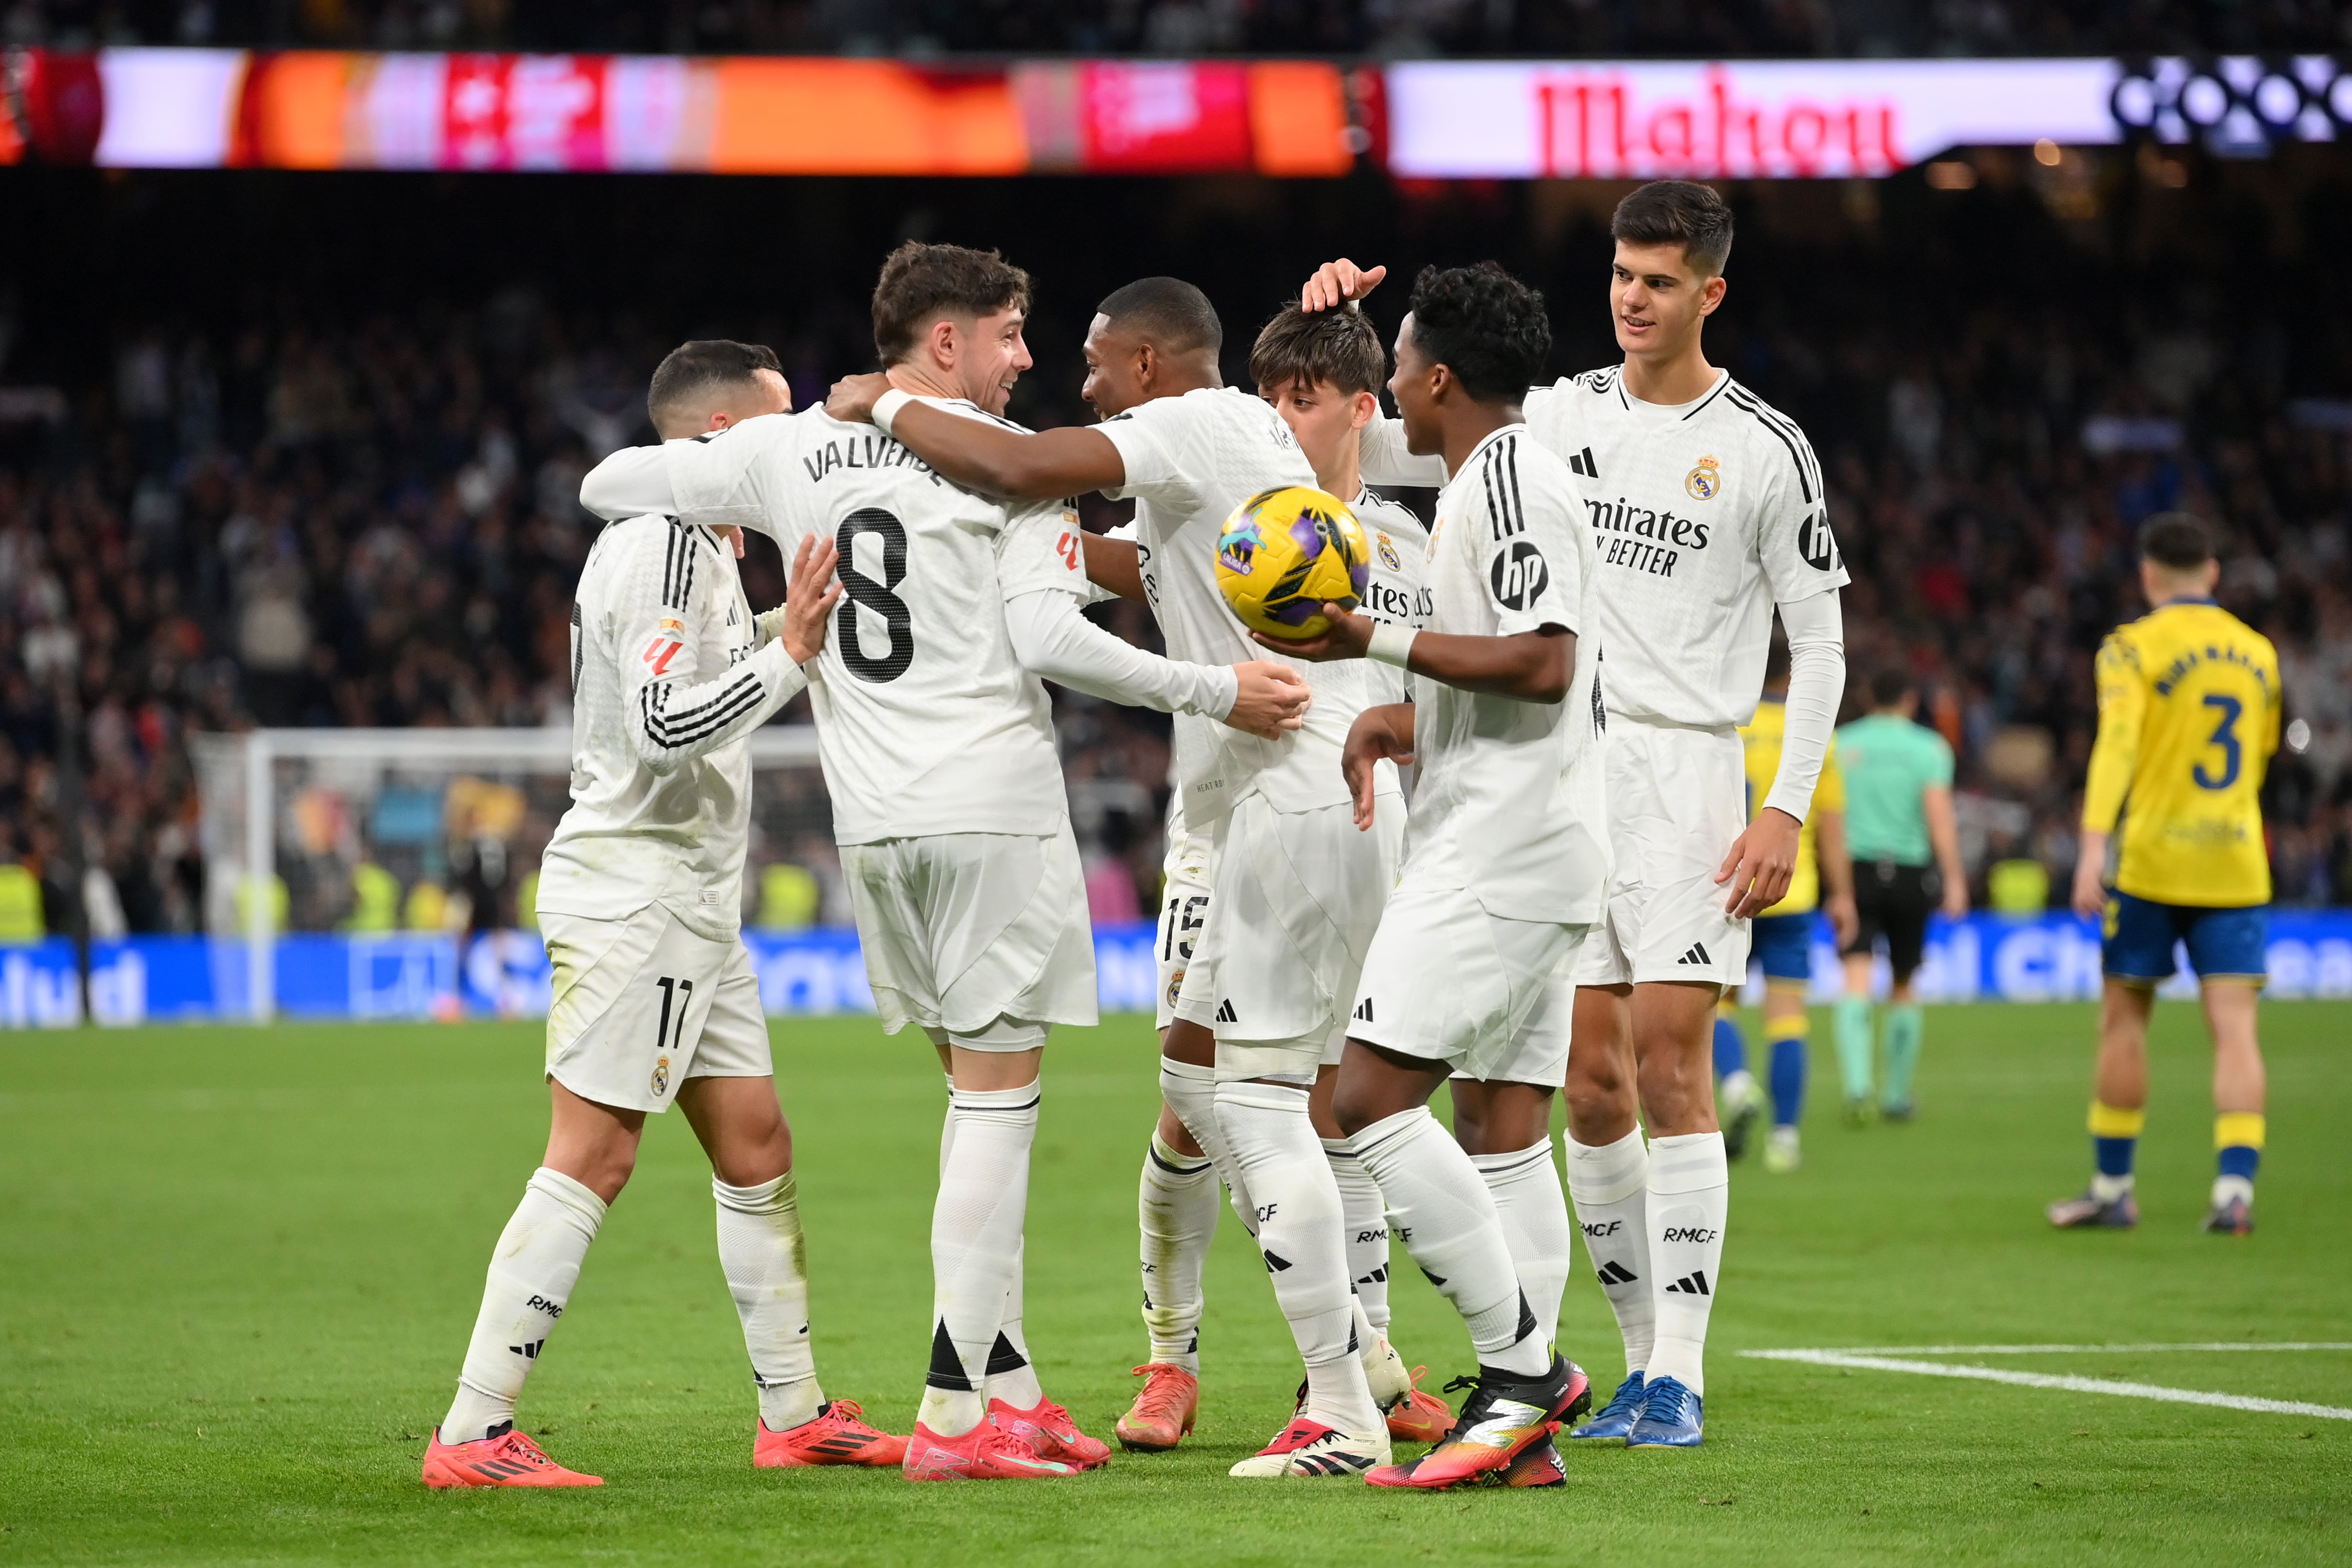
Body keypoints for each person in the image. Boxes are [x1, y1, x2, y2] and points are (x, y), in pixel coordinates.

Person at [581, 246, 1310, 1481]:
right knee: (997, 1114)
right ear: (945, 343)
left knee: (976, 1102)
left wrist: (799, 436)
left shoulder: (790, 449)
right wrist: (1216, 690)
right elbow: (1047, 635)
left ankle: (1012, 1388)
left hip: (876, 833)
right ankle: (954, 1417)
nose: (1027, 360)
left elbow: (611, 479)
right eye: (1011, 334)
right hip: (994, 817)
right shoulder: (1000, 466)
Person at [827, 275, 1408, 1479]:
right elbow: (1130, 565)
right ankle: (1334, 1369)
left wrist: (883, 408)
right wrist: (989, 543)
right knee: (1240, 1098)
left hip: (1289, 786)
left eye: (1091, 359)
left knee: (1272, 1107)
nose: (1069, 375)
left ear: (1144, 365)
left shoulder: (1188, 422)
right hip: (1274, 800)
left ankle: (1360, 1388)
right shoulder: (1227, 450)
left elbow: (1028, 466)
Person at [1300, 178, 1848, 1449]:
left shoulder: (1763, 446)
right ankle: (1631, 1361)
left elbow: (1815, 644)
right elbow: (1358, 445)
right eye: (1618, 274)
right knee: (1589, 1085)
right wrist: (1326, 332)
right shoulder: (1543, 424)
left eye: (1658, 280)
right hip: (1560, 770)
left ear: (1707, 292)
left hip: (1684, 771)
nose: (1630, 297)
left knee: (1667, 1062)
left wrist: (1780, 806)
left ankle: (1683, 1372)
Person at [423, 339, 899, 1490]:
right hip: (637, 892)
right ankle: (475, 1432)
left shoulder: (709, 554)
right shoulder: (667, 544)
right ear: (713, 443)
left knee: (757, 1144)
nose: (787, 454)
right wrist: (791, 654)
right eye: (769, 432)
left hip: (693, 900)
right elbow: (658, 724)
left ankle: (791, 1412)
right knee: (593, 1154)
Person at [1284, 260, 1603, 1490]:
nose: (1391, 383)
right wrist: (1406, 720)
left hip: (1500, 852)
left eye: (1401, 361)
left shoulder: (1509, 475)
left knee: (1361, 1101)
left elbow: (1543, 662)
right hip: (1533, 832)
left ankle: (1524, 1369)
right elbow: (1530, 681)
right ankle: (1519, 1434)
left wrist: (1368, 638)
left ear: (1441, 377)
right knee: (1500, 1129)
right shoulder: (1491, 477)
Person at [1115, 301, 1452, 1455]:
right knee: (1192, 1100)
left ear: (1362, 409)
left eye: (1303, 399)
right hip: (1219, 831)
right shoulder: (1224, 502)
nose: (1277, 420)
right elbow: (1128, 535)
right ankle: (1172, 1359)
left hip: (1358, 829)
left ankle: (1373, 1360)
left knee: (1335, 1100)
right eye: (1269, 397)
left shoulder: (1403, 544)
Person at [2051, 514, 2279, 1235]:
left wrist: (2091, 849)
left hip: (2150, 860)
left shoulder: (2127, 649)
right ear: (2211, 572)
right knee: (2235, 1029)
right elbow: (2263, 751)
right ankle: (2232, 1193)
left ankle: (2113, 1187)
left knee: (2122, 1021)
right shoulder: (2257, 653)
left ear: (2147, 575)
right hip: (2235, 860)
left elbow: (2114, 748)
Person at [1727, 639, 1857, 1172]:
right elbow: (1829, 825)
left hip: (1729, 887)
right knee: (1787, 1019)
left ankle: (1735, 1085)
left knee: (1717, 1007)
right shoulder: (1812, 738)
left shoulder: (1725, 725)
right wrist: (1843, 893)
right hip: (1791, 891)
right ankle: (1783, 1139)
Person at [1833, 665, 1967, 1122]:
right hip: (1910, 872)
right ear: (1910, 700)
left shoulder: (1842, 744)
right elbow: (1939, 816)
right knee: (1905, 983)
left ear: (1869, 698)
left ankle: (1856, 1087)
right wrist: (1953, 877)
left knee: (1855, 976)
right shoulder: (1929, 748)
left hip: (1855, 871)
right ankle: (1894, 1095)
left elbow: (1829, 815)